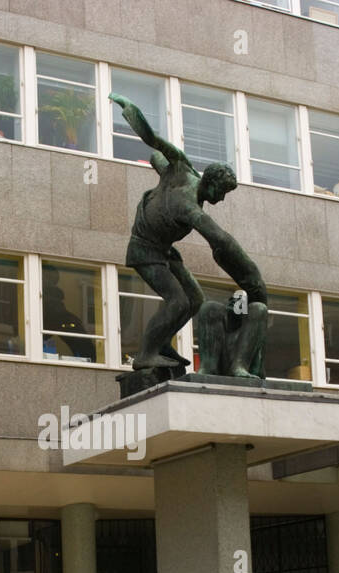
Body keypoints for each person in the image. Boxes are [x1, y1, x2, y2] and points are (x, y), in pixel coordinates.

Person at [109, 92, 267, 373]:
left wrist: (164, 173)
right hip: (144, 250)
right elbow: (218, 238)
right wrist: (130, 109)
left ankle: (162, 342)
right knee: (178, 300)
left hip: (164, 251)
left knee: (195, 299)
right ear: (212, 183)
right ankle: (146, 353)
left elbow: (156, 154)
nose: (221, 200)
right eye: (222, 192)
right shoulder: (189, 207)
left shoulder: (182, 169)